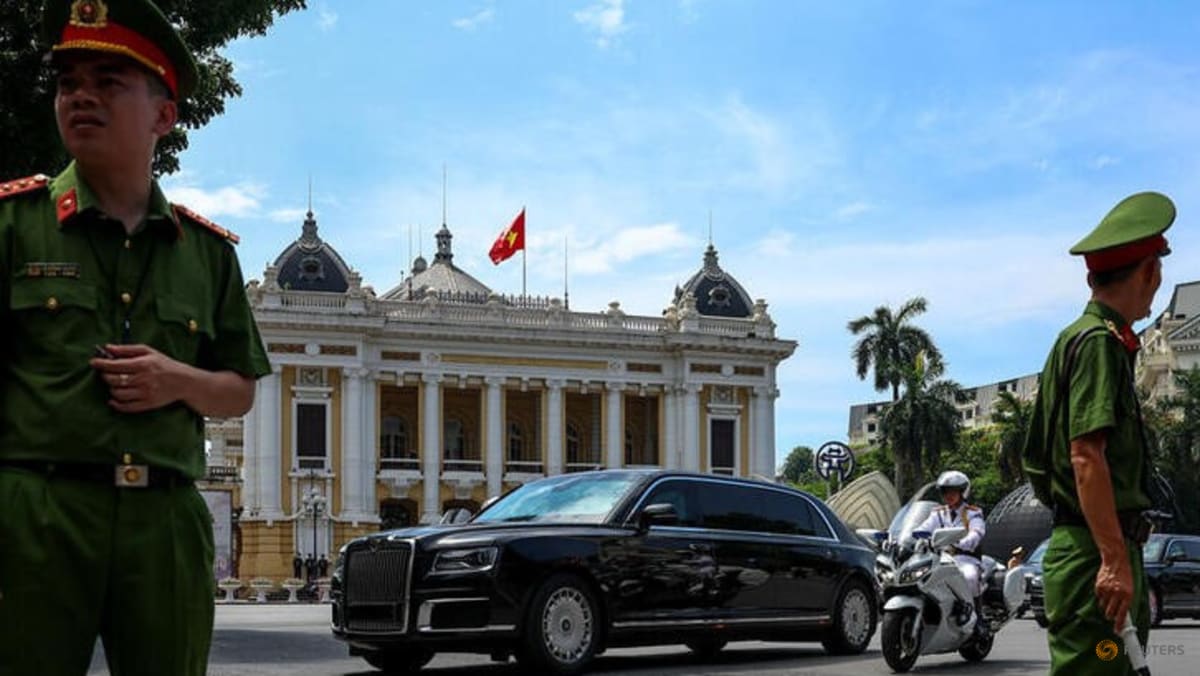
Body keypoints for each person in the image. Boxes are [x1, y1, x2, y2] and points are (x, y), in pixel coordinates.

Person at [0, 2, 270, 675]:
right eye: (68, 82)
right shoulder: (14, 225)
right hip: (35, 512)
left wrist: (176, 380)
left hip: (164, 519)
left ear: (163, 115)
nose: (80, 96)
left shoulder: (206, 253)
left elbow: (239, 389)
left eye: (108, 81)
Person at [1028, 191, 1173, 675]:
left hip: (1092, 546)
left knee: (1109, 666)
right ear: (1149, 271)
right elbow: (1086, 455)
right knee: (1098, 666)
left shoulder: (1078, 339)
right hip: (1096, 553)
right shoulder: (1097, 344)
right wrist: (1112, 560)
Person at [915, 470, 987, 635]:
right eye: (945, 491)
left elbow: (977, 532)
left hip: (965, 558)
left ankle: (977, 618)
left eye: (953, 491)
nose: (949, 495)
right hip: (941, 558)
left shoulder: (972, 512)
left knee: (969, 577)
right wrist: (912, 536)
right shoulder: (938, 513)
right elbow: (924, 528)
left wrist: (962, 542)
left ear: (962, 492)